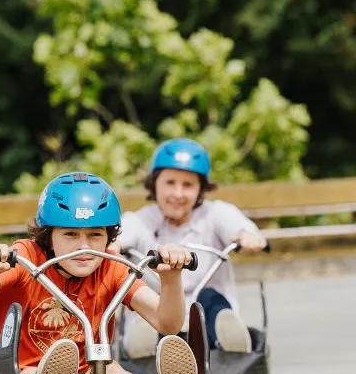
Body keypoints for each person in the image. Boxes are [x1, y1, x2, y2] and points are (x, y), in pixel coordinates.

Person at [0, 171, 199, 374]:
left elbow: (167, 324)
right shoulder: (25, 258)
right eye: (70, 234)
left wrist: (171, 279)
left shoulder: (110, 266)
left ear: (108, 237)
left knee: (108, 372)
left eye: (95, 235)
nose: (84, 247)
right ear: (48, 236)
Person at [112, 138, 267, 357]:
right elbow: (121, 235)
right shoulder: (140, 220)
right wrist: (116, 243)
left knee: (210, 299)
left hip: (205, 317)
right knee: (146, 301)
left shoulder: (215, 214)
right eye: (170, 183)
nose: (177, 194)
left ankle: (228, 336)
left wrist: (246, 236)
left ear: (201, 189)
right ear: (154, 183)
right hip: (159, 312)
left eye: (188, 185)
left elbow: (239, 227)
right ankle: (143, 344)